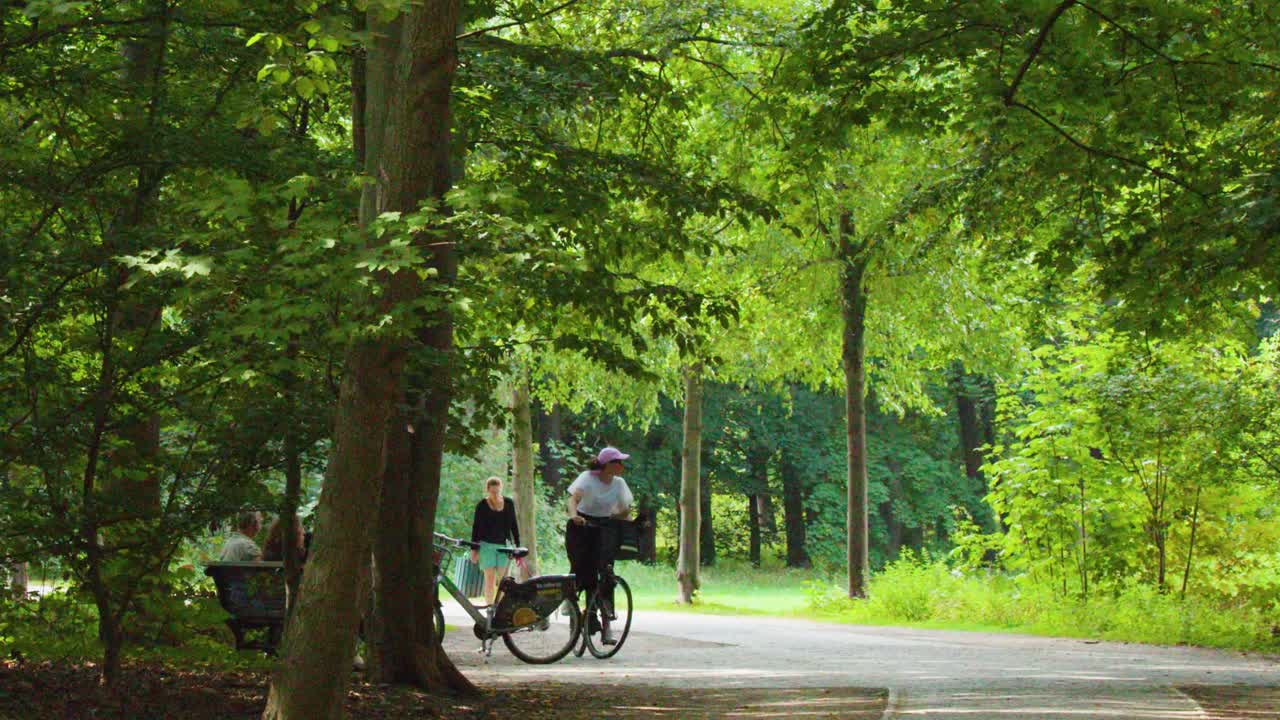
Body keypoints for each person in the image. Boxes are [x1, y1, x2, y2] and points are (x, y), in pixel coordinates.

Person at [565, 446, 633, 645]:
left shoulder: (619, 484)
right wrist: (574, 516)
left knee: (606, 575)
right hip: (583, 525)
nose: (621, 466)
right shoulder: (587, 478)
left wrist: (633, 524)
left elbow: (623, 511)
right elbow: (573, 499)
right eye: (618, 462)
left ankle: (607, 625)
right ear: (607, 465)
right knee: (581, 572)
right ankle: (574, 613)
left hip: (604, 526)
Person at [470, 476, 520, 605]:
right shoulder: (482, 505)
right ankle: (490, 608)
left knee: (504, 581)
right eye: (492, 492)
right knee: (489, 579)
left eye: (497, 491)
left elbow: (514, 524)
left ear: (501, 489)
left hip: (504, 546)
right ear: (487, 490)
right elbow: (476, 528)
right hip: (486, 546)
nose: (495, 494)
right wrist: (474, 549)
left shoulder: (509, 503)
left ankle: (501, 609)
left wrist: (517, 545)